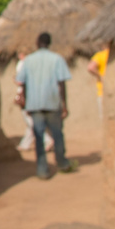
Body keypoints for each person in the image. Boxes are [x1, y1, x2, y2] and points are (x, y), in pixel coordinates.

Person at [15, 31, 78, 179]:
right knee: (57, 134)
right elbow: (61, 83)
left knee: (39, 136)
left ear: (37, 43)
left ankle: (42, 169)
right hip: (52, 102)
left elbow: (21, 82)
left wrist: (25, 100)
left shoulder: (28, 61)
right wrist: (64, 104)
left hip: (34, 104)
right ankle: (62, 162)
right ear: (49, 43)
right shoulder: (57, 59)